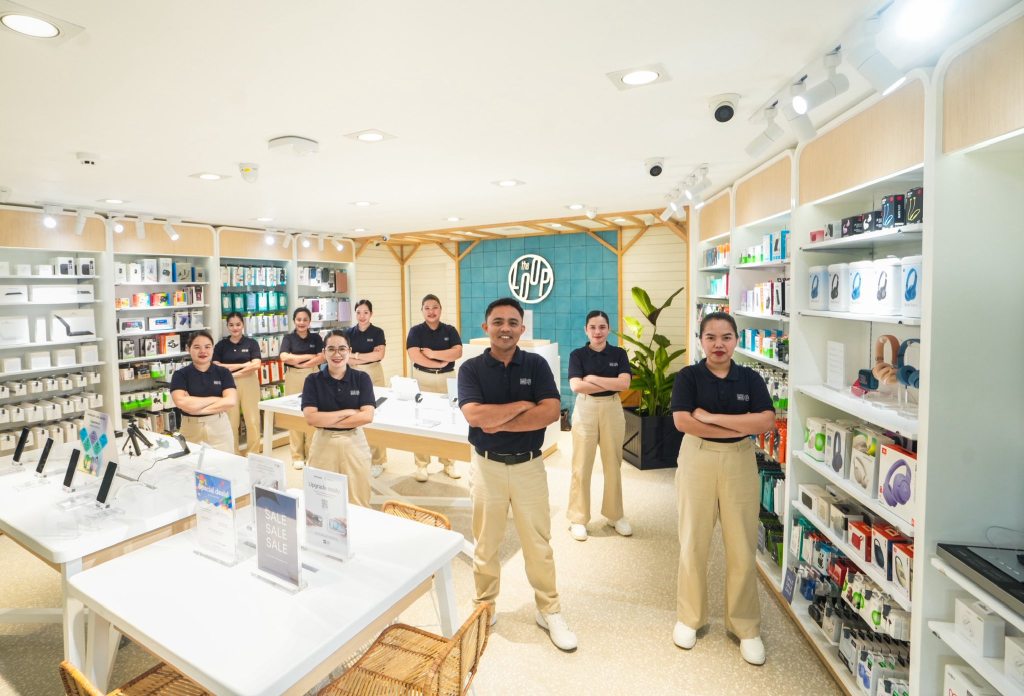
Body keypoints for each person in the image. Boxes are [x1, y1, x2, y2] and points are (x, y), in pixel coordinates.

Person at [458, 297, 577, 652]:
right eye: (498, 322)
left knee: (538, 544)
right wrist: (523, 406)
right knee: (486, 542)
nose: (505, 328)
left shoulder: (536, 365)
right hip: (487, 467)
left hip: (528, 467)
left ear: (522, 329)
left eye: (512, 322)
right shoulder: (471, 369)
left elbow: (550, 412)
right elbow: (475, 416)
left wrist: (498, 420)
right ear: (486, 327)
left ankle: (549, 609)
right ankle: (484, 605)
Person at [669, 312, 776, 666]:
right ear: (701, 340)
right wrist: (739, 425)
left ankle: (745, 626)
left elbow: (765, 421)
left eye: (726, 337)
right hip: (697, 458)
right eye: (711, 337)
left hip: (740, 460)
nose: (719, 344)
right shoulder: (688, 376)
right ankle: (689, 618)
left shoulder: (750, 378)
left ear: (736, 341)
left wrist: (712, 418)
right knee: (693, 540)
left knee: (742, 544)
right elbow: (683, 421)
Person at [566, 310, 633, 542]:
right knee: (581, 465)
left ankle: (615, 515)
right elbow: (576, 386)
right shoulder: (577, 355)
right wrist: (609, 382)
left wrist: (592, 379)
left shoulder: (619, 353)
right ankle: (578, 518)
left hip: (612, 408)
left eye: (602, 327)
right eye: (593, 327)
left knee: (613, 463)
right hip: (586, 408)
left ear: (608, 329)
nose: (597, 331)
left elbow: (624, 384)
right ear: (586, 330)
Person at [301, 330, 376, 507]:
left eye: (342, 349)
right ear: (323, 352)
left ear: (349, 351)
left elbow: (367, 416)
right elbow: (311, 418)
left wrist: (326, 418)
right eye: (331, 349)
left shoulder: (362, 378)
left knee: (358, 500)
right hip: (323, 442)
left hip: (354, 442)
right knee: (322, 502)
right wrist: (349, 412)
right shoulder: (313, 380)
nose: (337, 354)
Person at [405, 294, 462, 482]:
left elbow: (457, 352)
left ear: (440, 309)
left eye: (435, 307)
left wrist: (432, 353)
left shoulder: (450, 330)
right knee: (421, 420)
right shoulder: (416, 331)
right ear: (422, 310)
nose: (431, 311)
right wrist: (440, 362)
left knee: (449, 420)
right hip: (423, 378)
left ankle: (449, 463)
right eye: (427, 308)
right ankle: (422, 465)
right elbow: (414, 356)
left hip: (447, 378)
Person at [170, 330, 237, 453]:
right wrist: (216, 399)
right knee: (190, 463)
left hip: (219, 428)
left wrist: (195, 408)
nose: (203, 351)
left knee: (224, 463)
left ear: (213, 349)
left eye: (207, 347)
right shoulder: (180, 375)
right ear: (188, 349)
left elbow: (230, 401)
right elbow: (181, 402)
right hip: (191, 429)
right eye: (197, 347)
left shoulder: (223, 372)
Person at [346, 299, 388, 478]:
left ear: (371, 314)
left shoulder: (377, 332)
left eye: (365, 312)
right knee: (355, 416)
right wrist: (365, 356)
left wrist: (355, 355)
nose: (362, 316)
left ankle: (378, 460)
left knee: (375, 417)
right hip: (354, 374)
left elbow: (379, 355)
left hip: (373, 373)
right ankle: (359, 458)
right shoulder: (348, 333)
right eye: (358, 312)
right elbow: (345, 357)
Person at [279, 307, 324, 469]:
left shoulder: (316, 338)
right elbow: (284, 357)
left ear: (309, 321)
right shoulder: (288, 338)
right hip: (293, 376)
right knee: (294, 413)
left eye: (305, 319)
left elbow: (322, 357)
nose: (302, 322)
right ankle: (297, 455)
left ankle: (311, 453)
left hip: (313, 375)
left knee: (313, 412)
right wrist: (309, 356)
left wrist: (300, 361)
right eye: (299, 319)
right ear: (294, 321)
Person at [213, 312, 263, 455]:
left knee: (252, 420)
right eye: (231, 325)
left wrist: (231, 371)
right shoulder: (221, 345)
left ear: (243, 325)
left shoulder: (251, 343)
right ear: (227, 326)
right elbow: (216, 366)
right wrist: (244, 365)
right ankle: (233, 453)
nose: (235, 328)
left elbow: (256, 365)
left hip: (249, 383)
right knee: (231, 421)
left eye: (238, 324)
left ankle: (253, 453)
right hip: (228, 386)